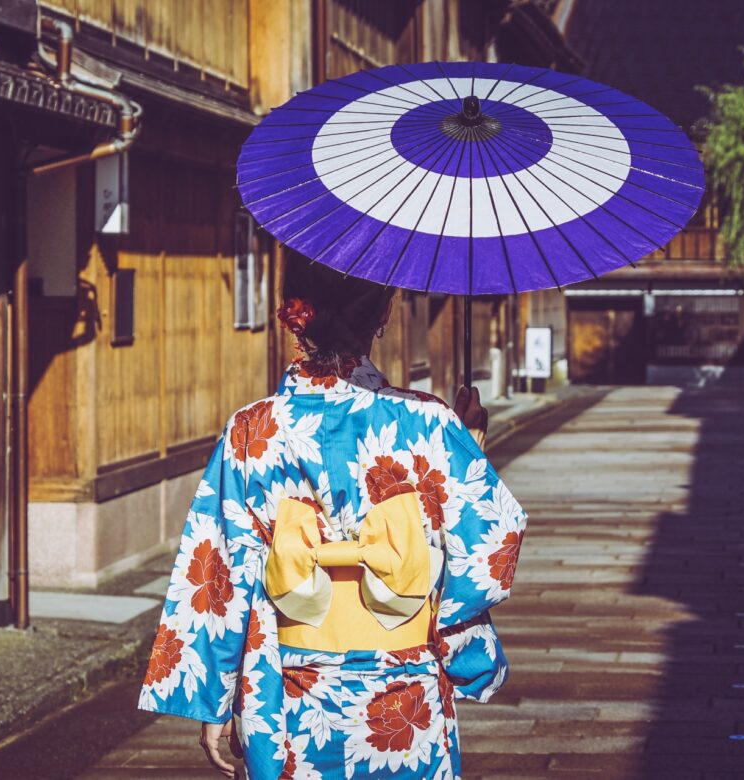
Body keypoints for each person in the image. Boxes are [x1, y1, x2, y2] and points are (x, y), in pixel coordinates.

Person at [138, 255, 527, 779]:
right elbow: (489, 543)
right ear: (384, 313)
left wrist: (216, 695)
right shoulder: (429, 422)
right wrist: (470, 446)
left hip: (285, 692)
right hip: (404, 691)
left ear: (296, 311)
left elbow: (218, 569)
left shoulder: (251, 430)